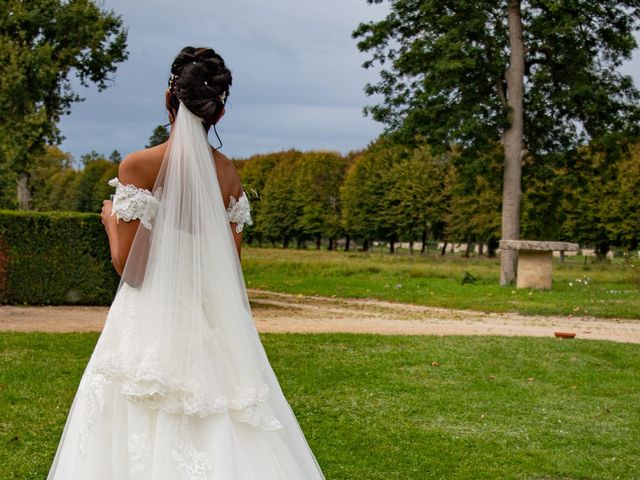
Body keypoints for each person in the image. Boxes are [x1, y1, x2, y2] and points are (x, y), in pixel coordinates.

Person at [47, 46, 326, 479]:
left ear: (169, 98)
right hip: (210, 323)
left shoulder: (139, 165)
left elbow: (130, 268)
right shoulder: (228, 174)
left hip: (148, 322)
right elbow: (229, 267)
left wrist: (108, 219)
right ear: (218, 113)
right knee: (226, 415)